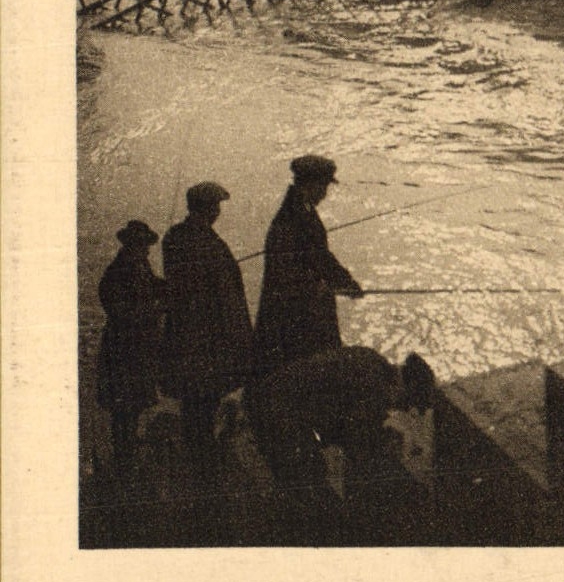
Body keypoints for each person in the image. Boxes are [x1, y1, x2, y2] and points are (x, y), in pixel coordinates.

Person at [246, 345, 435, 538]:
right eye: (406, 402)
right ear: (405, 386)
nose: (399, 408)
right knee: (316, 495)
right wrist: (392, 450)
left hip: (267, 395)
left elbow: (341, 423)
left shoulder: (369, 359)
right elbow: (358, 446)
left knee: (315, 479)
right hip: (277, 410)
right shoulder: (375, 387)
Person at [161, 181, 253, 474]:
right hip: (204, 340)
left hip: (191, 338)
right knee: (201, 400)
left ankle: (199, 454)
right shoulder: (200, 240)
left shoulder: (178, 237)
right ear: (207, 208)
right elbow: (206, 291)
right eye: (215, 207)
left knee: (197, 401)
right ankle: (201, 461)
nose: (217, 212)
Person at [253, 156, 363, 377]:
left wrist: (342, 282)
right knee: (305, 371)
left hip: (300, 308)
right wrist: (334, 284)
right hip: (297, 314)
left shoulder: (299, 210)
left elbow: (318, 257)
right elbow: (306, 262)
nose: (325, 193)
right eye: (323, 186)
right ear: (311, 184)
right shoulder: (294, 218)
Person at [96, 219, 167, 478]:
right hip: (124, 352)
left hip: (132, 351)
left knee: (130, 406)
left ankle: (126, 452)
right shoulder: (119, 272)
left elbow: (150, 285)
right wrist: (156, 308)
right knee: (124, 407)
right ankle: (123, 459)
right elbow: (123, 311)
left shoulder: (136, 265)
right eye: (143, 245)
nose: (148, 250)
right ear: (132, 245)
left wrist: (164, 287)